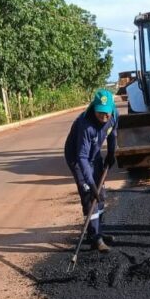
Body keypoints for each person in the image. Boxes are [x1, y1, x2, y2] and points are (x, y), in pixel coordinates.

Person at [64, 89, 119, 252]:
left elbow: (112, 133)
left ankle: (98, 232)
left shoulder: (114, 114)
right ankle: (95, 239)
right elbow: (81, 157)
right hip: (77, 157)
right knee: (90, 195)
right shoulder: (85, 125)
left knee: (101, 195)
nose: (104, 117)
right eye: (100, 113)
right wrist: (90, 183)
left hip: (94, 155)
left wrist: (111, 152)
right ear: (94, 108)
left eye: (107, 113)